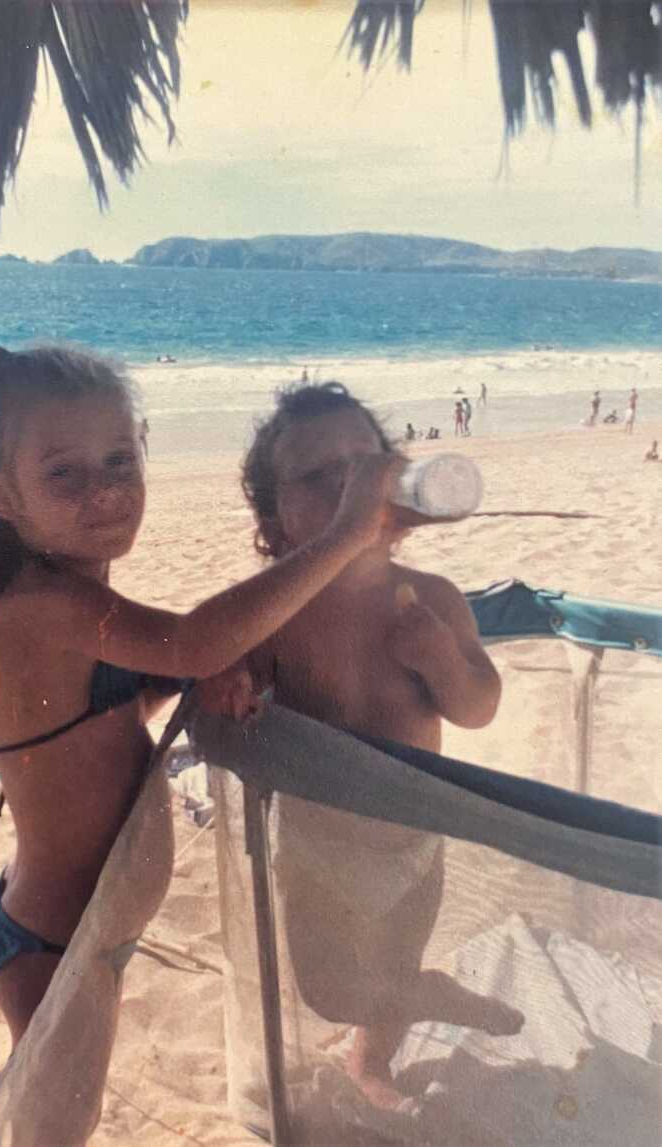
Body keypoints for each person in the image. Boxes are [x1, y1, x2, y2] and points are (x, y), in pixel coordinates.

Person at [0, 347, 399, 1081]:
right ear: (2, 496)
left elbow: (119, 703)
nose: (106, 491)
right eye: (64, 474)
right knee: (50, 1120)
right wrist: (347, 535)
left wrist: (190, 680)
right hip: (53, 940)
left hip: (88, 924)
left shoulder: (77, 596)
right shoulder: (37, 606)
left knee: (45, 1100)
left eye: (120, 460)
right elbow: (192, 640)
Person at [230, 382, 523, 1110]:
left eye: (365, 466)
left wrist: (443, 662)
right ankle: (423, 995)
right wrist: (234, 683)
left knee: (393, 960)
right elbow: (232, 675)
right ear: (274, 518)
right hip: (317, 845)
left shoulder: (434, 597)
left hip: (415, 838)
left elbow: (479, 707)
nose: (350, 486)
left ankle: (374, 1061)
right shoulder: (277, 611)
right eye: (318, 475)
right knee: (328, 987)